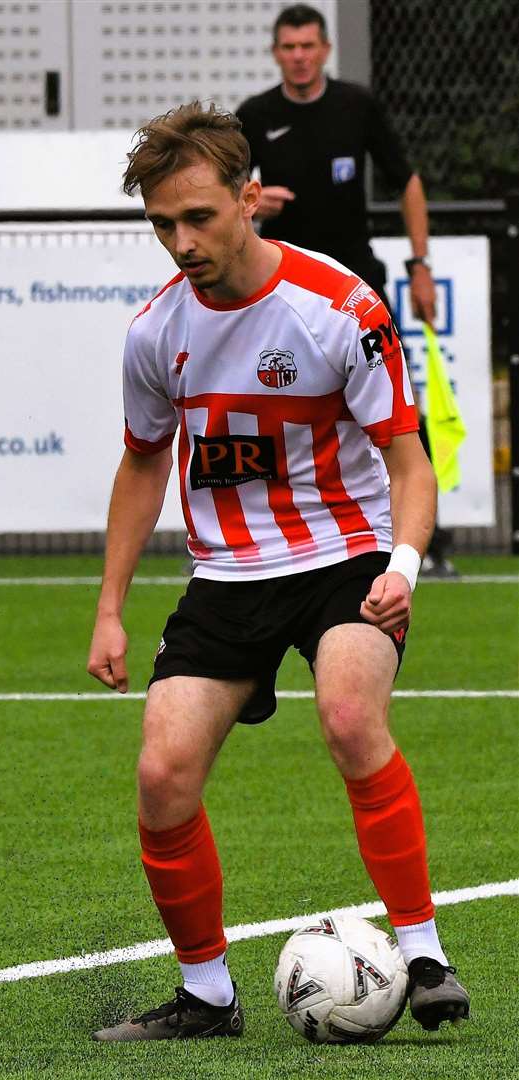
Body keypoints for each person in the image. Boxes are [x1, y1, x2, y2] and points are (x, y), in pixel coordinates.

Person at [86, 102, 469, 1041]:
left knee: (347, 712)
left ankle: (421, 953)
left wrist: (404, 569)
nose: (181, 242)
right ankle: (206, 996)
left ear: (249, 199)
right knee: (161, 772)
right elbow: (141, 464)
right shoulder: (153, 335)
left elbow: (408, 461)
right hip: (225, 577)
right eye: (162, 225)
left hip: (346, 559)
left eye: (199, 218)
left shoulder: (337, 307)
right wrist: (108, 610)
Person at [236, 3, 457, 577]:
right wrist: (255, 200)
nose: (300, 56)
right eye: (289, 47)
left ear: (326, 49)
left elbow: (407, 182)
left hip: (356, 291)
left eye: (309, 45)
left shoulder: (357, 105)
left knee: (394, 412)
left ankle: (425, 543)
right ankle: (279, 534)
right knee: (278, 407)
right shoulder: (255, 115)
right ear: (276, 52)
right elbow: (223, 193)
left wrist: (421, 264)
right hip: (280, 296)